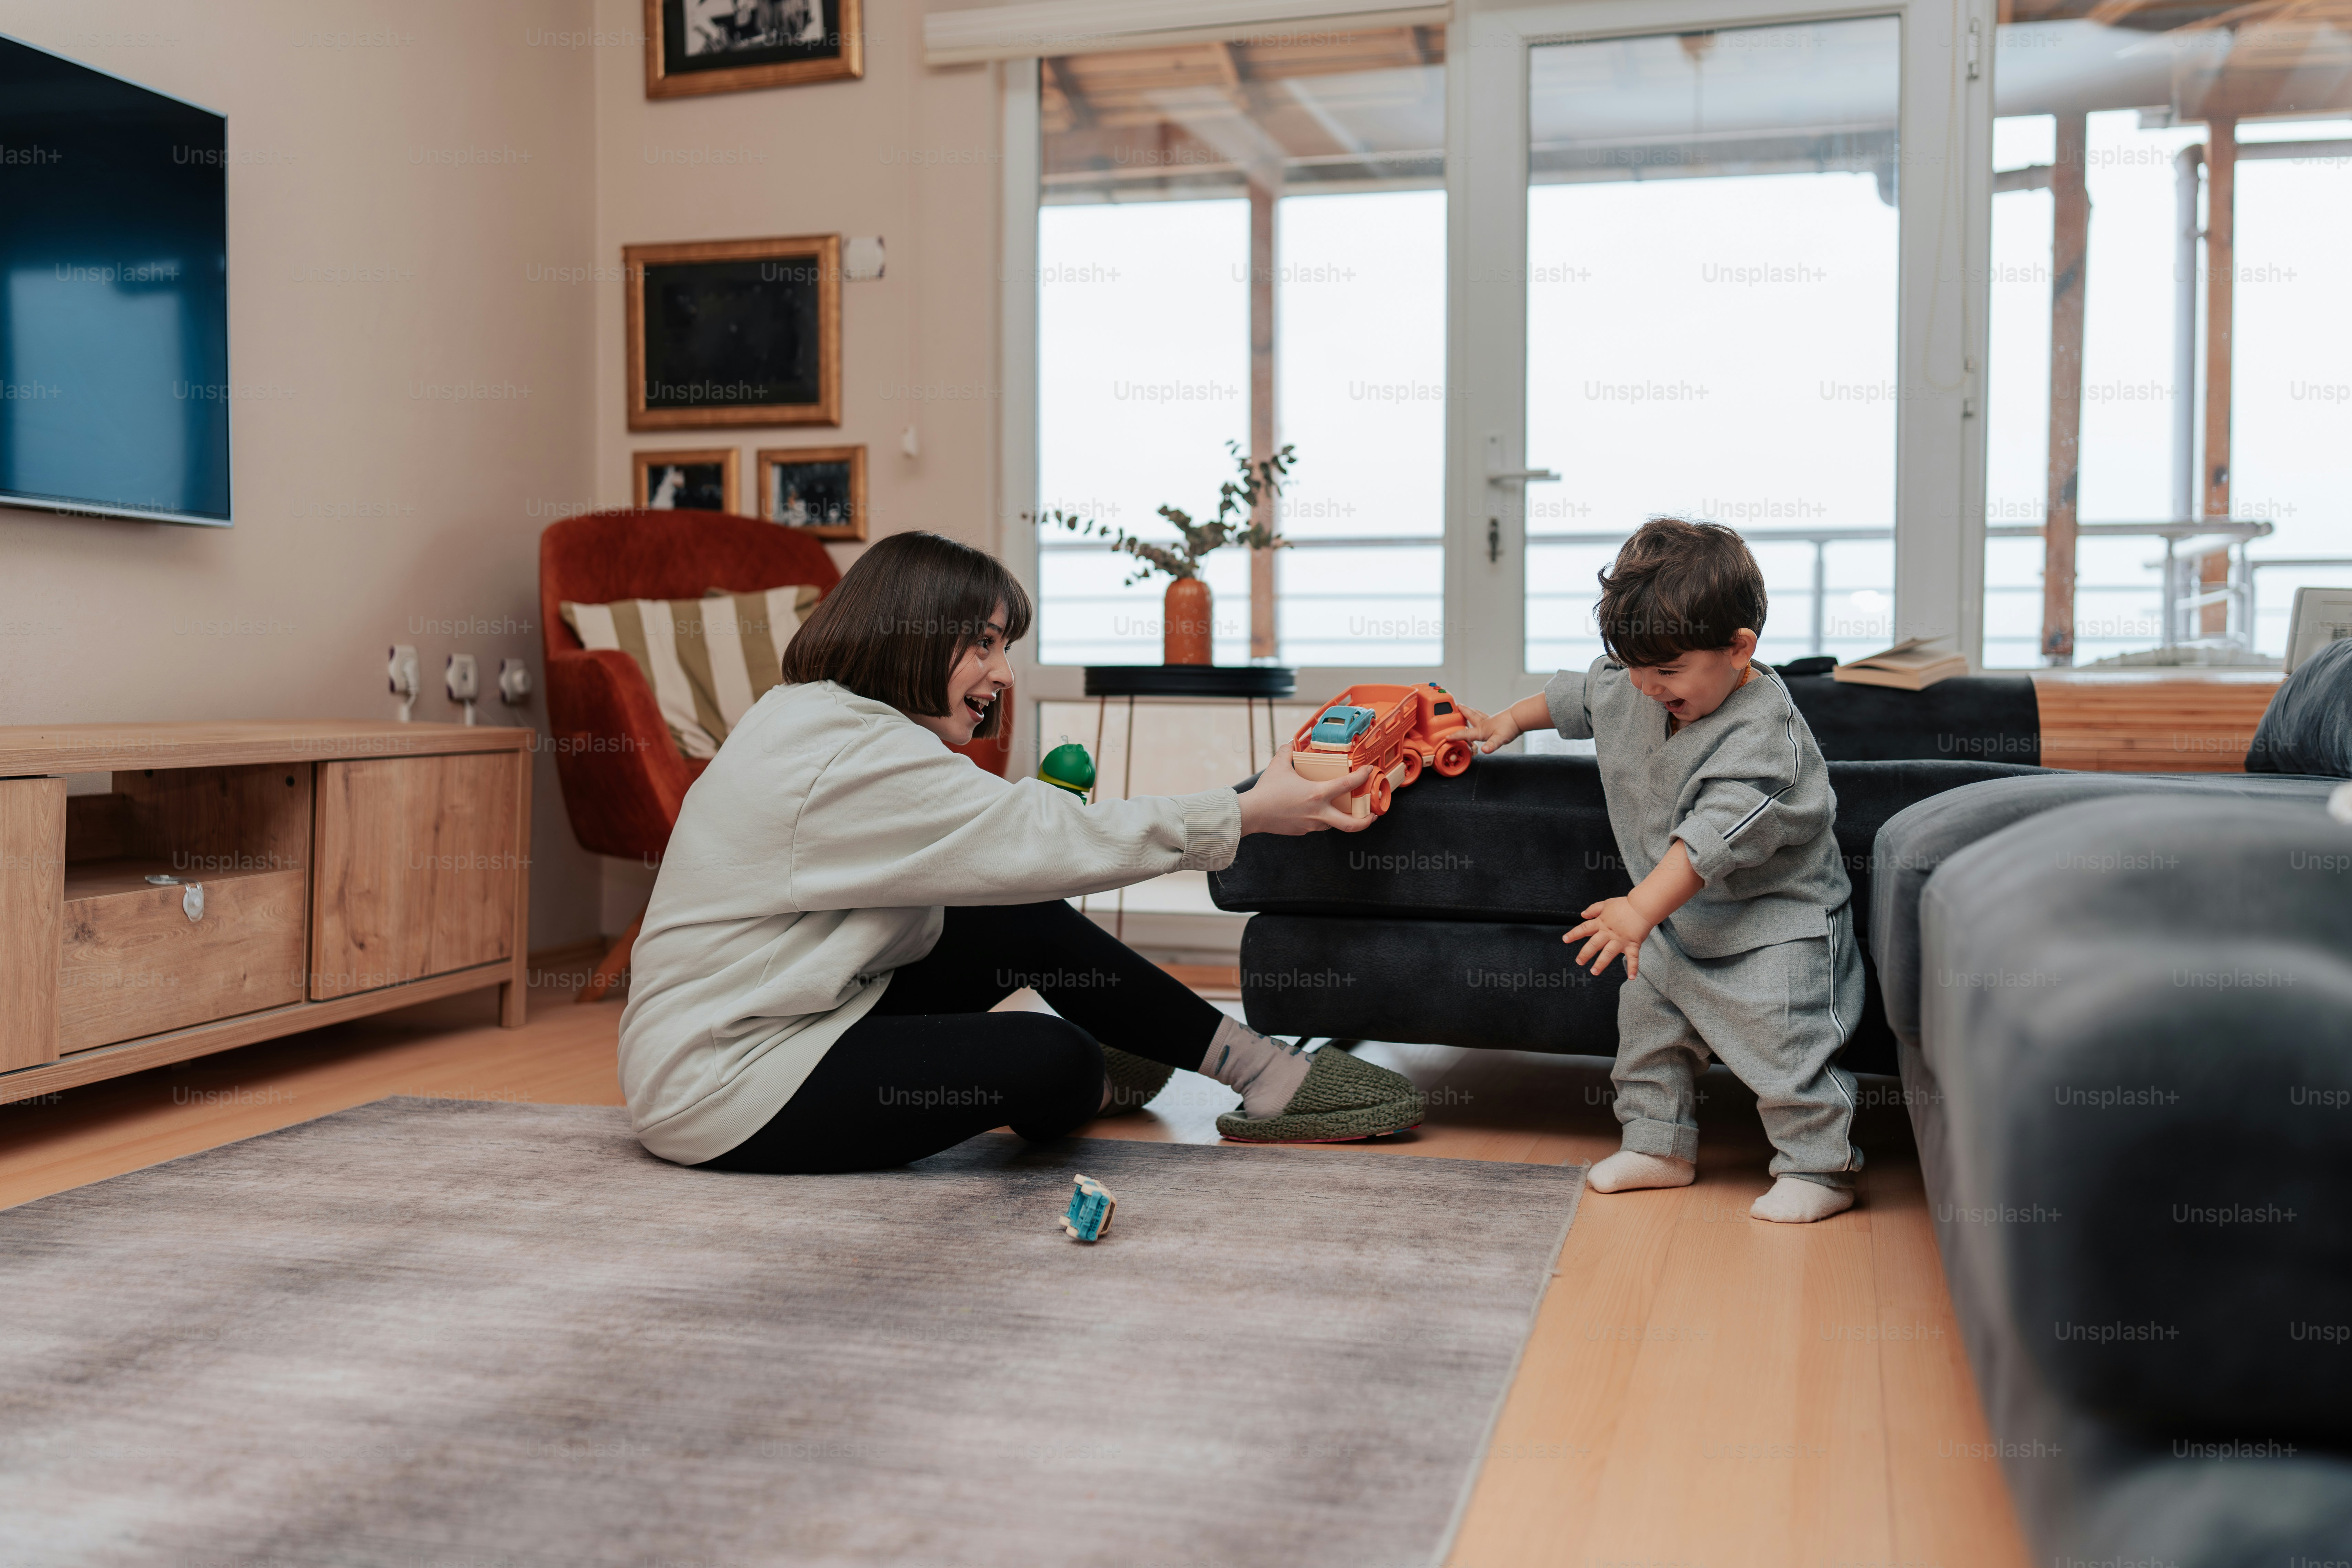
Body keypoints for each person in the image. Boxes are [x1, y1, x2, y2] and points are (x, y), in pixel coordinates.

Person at [618, 530, 1427, 1174]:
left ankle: (1255, 1069)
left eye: (1002, 646)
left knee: (1012, 915)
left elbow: (1014, 850)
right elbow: (1050, 838)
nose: (1003, 672)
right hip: (724, 1084)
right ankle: (1170, 1063)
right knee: (1052, 1059)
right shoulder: (846, 755)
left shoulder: (825, 720)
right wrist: (1248, 812)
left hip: (797, 1012)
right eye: (982, 644)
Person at [1461, 517, 1863, 1224]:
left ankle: (1817, 1167)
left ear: (1738, 649)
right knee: (1646, 1029)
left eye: (1667, 672)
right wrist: (1509, 722)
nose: (1646, 687)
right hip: (1677, 921)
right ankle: (1657, 1144)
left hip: (1775, 927)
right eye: (1634, 667)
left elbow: (1713, 838)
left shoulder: (1765, 740)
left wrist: (1637, 910)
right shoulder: (1634, 681)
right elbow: (1579, 695)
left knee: (1787, 1047)